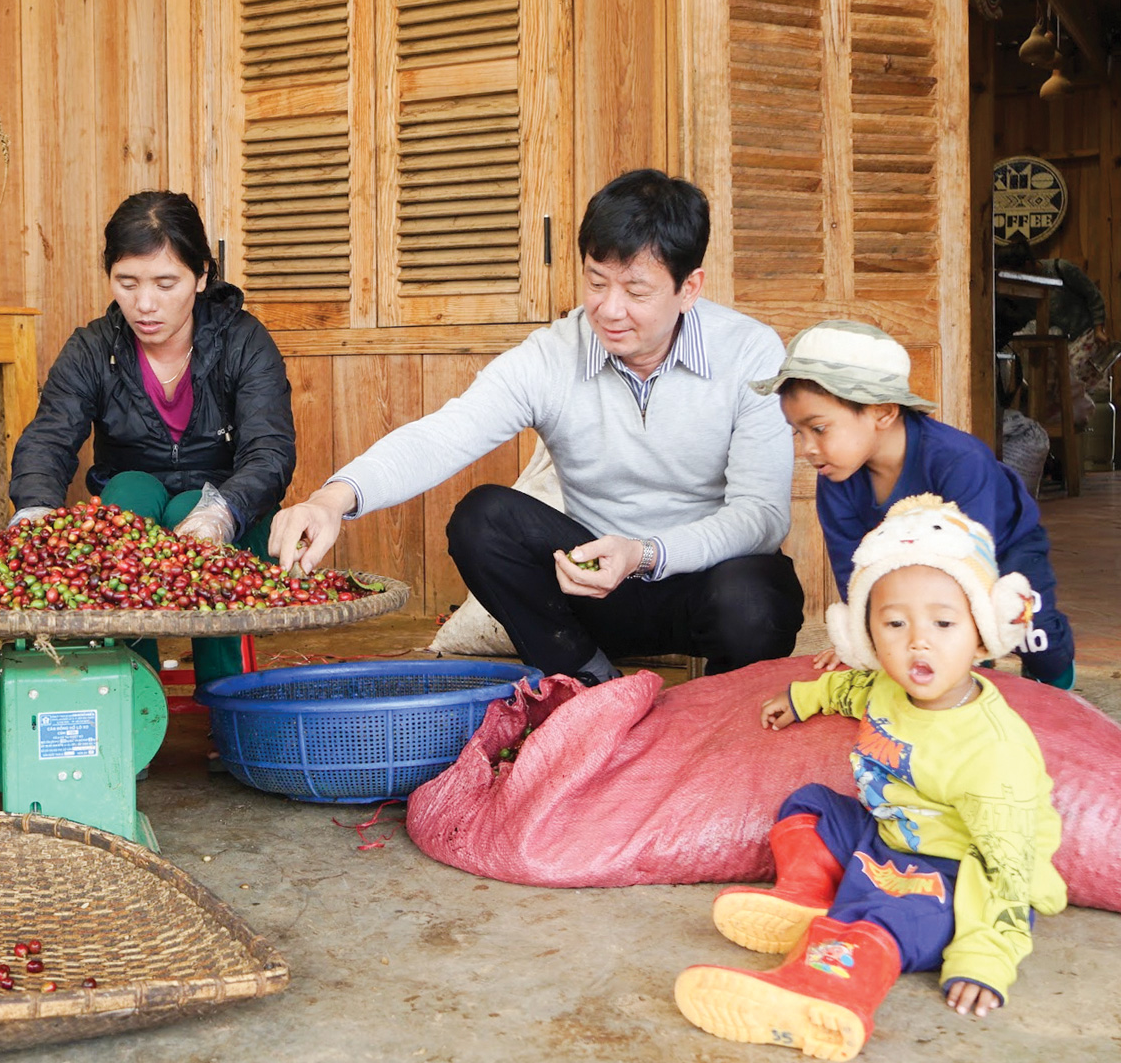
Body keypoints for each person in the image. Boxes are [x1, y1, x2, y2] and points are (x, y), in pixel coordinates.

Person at [269, 169, 802, 682]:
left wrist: (645, 554)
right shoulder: (553, 354)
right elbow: (446, 433)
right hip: (595, 587)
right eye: (596, 282)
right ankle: (588, 682)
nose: (609, 310)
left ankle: (721, 716)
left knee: (758, 597)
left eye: (636, 291)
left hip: (704, 586)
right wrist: (332, 499)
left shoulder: (748, 351)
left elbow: (762, 516)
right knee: (483, 518)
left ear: (689, 288)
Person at [674, 495, 1063, 1061]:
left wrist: (984, 959)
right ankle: (807, 899)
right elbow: (852, 690)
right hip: (890, 838)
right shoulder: (889, 685)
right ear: (867, 637)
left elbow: (1009, 870)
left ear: (982, 637)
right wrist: (801, 698)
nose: (917, 641)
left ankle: (822, 993)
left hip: (957, 879)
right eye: (895, 623)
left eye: (944, 622)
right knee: (809, 805)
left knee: (882, 917)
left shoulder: (993, 757)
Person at [8, 191, 295, 682]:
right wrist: (34, 509)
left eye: (166, 283)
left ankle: (228, 701)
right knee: (125, 496)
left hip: (227, 507)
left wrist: (223, 511)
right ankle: (131, 696)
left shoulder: (244, 342)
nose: (145, 304)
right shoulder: (94, 348)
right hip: (133, 501)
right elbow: (49, 438)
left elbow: (269, 452)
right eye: (127, 282)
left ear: (202, 276)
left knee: (194, 519)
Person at [761, 319, 1076, 689]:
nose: (807, 448)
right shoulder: (836, 479)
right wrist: (861, 641)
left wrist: (970, 636)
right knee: (946, 655)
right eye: (797, 432)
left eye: (819, 428)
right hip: (916, 566)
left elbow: (974, 565)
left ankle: (1057, 686)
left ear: (882, 411)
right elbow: (854, 571)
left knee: (1030, 632)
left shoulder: (959, 460)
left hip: (999, 549)